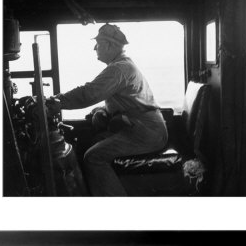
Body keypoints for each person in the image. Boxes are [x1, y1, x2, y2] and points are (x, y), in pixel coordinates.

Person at [48, 23, 168, 196]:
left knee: (93, 158)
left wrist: (59, 102)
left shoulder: (119, 68)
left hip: (147, 132)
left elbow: (89, 93)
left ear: (110, 45)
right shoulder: (121, 65)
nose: (94, 48)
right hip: (141, 128)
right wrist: (102, 110)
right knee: (92, 141)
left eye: (98, 43)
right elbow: (121, 101)